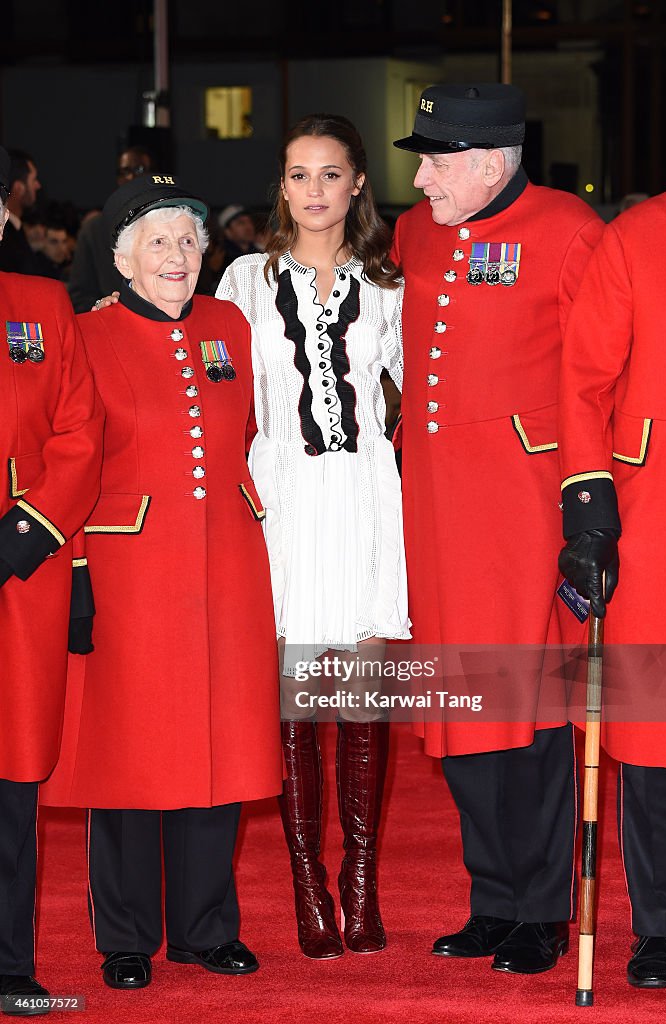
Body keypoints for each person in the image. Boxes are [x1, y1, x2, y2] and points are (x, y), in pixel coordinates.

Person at [41, 174, 283, 990]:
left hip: (226, 567)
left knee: (216, 747)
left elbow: (250, 431)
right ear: (120, 257)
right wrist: (73, 571)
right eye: (158, 242)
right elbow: (63, 460)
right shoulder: (83, 335)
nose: (178, 257)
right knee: (127, 757)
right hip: (127, 571)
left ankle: (207, 929)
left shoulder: (228, 324)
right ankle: (127, 936)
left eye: (188, 241)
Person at [391, 84, 604, 974]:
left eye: (436, 159)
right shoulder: (413, 230)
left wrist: (587, 508)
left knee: (535, 714)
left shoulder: (571, 231)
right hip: (436, 509)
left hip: (523, 505)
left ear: (487, 162)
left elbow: (600, 371)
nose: (422, 175)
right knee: (459, 709)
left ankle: (541, 911)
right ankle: (492, 900)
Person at [215, 114, 409, 959]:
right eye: (299, 175)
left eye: (332, 175)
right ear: (281, 186)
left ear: (359, 182)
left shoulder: (393, 282)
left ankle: (361, 886)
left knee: (361, 694)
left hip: (366, 494)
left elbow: (422, 387)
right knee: (297, 698)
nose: (316, 191)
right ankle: (309, 890)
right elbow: (195, 361)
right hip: (284, 497)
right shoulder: (243, 282)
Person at [557, 70, 666, 990]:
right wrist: (590, 505)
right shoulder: (637, 237)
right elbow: (583, 378)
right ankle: (664, 923)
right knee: (657, 729)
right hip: (662, 519)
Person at [0, 144, 103, 1015]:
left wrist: (25, 531)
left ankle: (7, 962)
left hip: (15, 574)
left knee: (8, 782)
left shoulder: (38, 307)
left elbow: (79, 436)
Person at [68, 146, 156, 312]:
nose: (131, 177)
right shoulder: (94, 229)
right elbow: (78, 295)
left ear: (151, 175)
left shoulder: (170, 225)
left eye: (138, 169)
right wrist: (105, 307)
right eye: (124, 171)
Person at [0, 149, 42, 275]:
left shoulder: (17, 231)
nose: (38, 185)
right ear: (19, 188)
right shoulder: (8, 240)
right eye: (33, 180)